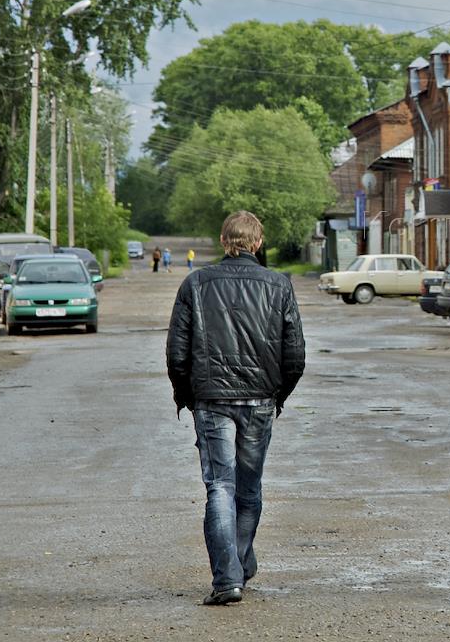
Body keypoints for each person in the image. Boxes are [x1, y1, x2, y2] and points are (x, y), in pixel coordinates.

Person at [166, 211, 306, 606]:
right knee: (248, 489)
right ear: (258, 243)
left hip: (211, 401)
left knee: (220, 488)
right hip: (259, 400)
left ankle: (230, 575)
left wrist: (186, 396)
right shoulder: (279, 285)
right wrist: (278, 395)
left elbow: (177, 353)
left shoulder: (196, 283)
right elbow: (294, 355)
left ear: (225, 240)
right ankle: (238, 565)